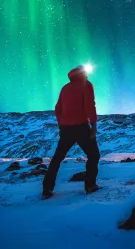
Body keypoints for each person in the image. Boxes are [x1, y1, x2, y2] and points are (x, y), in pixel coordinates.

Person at [42, 65, 100, 200]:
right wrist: (93, 125)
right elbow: (90, 105)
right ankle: (90, 185)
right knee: (94, 155)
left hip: (65, 129)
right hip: (81, 127)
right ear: (83, 73)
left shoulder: (65, 88)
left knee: (57, 158)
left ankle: (47, 189)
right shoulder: (86, 84)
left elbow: (57, 108)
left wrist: (61, 123)